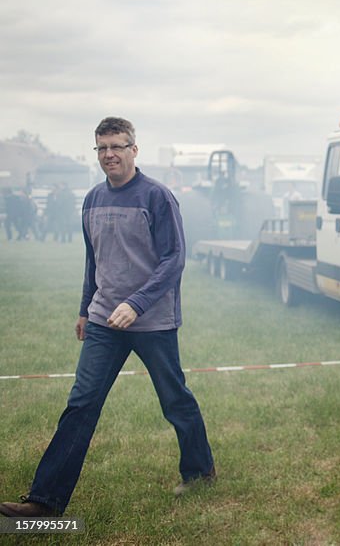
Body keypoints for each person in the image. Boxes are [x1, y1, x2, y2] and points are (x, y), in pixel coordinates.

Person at [0, 117, 215, 519]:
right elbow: (93, 260)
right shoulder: (93, 199)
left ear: (135, 149)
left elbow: (174, 260)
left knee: (175, 400)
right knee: (81, 405)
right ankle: (43, 502)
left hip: (152, 322)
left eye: (117, 146)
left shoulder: (157, 197)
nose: (109, 155)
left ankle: (200, 471)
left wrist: (137, 303)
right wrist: (86, 308)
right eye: (101, 148)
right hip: (104, 322)